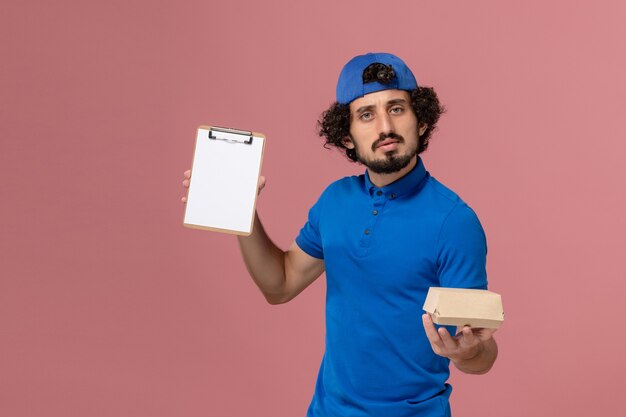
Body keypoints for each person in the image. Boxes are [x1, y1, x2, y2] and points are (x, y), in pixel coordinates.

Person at [182, 52, 498, 417]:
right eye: (366, 114)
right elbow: (280, 285)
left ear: (421, 121)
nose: (384, 127)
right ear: (346, 137)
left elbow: (481, 351)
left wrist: (469, 352)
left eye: (396, 109)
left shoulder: (454, 221)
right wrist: (242, 213)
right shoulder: (334, 201)